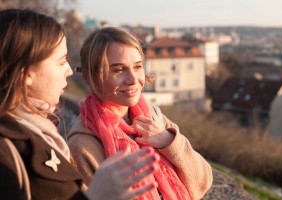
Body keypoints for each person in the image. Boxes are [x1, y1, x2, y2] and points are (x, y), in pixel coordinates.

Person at [0, 9, 161, 200]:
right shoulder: (6, 151)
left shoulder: (41, 132)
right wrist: (94, 196)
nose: (69, 70)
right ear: (27, 75)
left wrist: (170, 142)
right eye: (60, 62)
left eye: (138, 66)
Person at [67, 27, 213, 200]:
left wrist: (169, 142)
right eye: (118, 70)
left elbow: (203, 180)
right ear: (92, 76)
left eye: (137, 67)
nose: (133, 79)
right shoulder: (83, 145)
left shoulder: (152, 117)